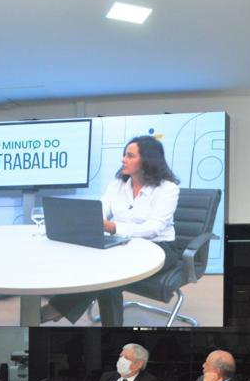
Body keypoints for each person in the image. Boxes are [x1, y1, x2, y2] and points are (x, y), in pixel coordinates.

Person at [41, 135, 182, 326]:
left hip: (160, 248)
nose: (123, 159)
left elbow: (154, 228)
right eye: (124, 155)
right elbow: (99, 210)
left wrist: (114, 227)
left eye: (130, 156)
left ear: (147, 160)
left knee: (111, 278)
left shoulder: (167, 188)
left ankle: (57, 309)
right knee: (104, 271)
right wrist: (81, 219)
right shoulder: (117, 185)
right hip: (126, 245)